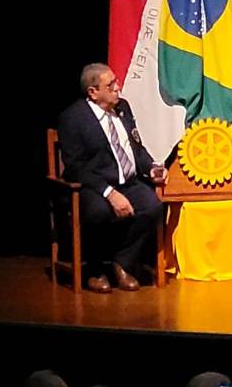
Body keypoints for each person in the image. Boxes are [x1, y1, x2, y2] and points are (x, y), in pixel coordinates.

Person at [58, 63, 167, 293]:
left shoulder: (123, 108)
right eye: (111, 85)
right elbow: (75, 167)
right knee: (98, 211)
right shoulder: (73, 118)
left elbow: (135, 147)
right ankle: (95, 270)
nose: (118, 88)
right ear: (93, 92)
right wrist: (109, 193)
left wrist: (152, 167)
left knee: (153, 206)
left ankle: (123, 263)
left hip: (127, 182)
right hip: (94, 187)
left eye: (116, 82)